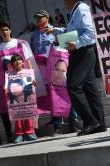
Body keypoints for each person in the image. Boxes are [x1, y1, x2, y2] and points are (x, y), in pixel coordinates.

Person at [45, 0, 106, 136]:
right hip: (82, 53)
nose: (63, 2)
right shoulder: (75, 11)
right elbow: (73, 32)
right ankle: (99, 124)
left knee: (73, 86)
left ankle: (90, 121)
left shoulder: (81, 9)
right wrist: (55, 30)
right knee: (90, 89)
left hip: (82, 53)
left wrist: (77, 44)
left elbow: (90, 32)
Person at [7, 54, 37, 143]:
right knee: (17, 116)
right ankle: (19, 134)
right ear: (12, 64)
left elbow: (31, 86)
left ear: (22, 61)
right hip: (15, 99)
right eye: (15, 61)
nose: (17, 62)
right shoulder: (9, 74)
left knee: (28, 114)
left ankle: (30, 132)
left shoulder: (27, 72)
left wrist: (34, 83)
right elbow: (7, 87)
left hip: (25, 98)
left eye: (19, 59)